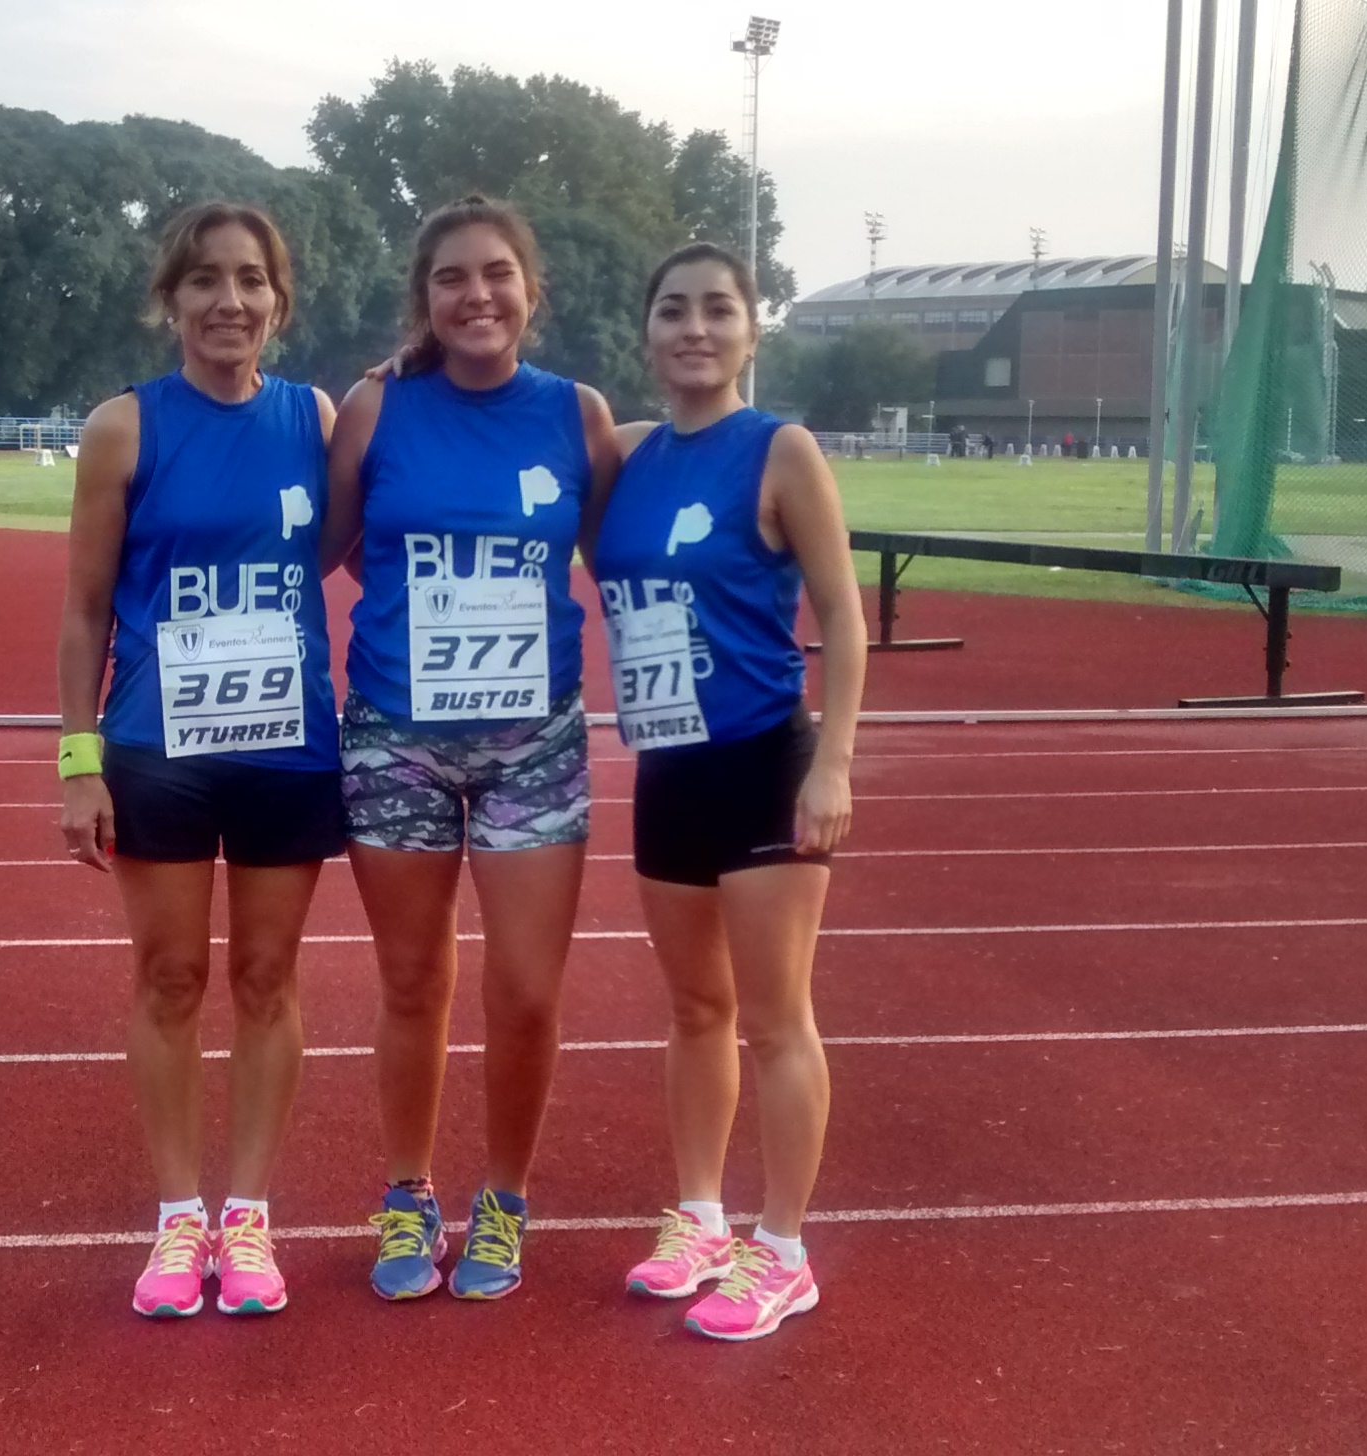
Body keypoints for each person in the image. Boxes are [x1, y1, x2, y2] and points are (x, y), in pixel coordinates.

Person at [323, 196, 621, 1301]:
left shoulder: (576, 415)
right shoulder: (376, 406)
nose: (477, 294)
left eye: (497, 273)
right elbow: (330, 547)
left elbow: (622, 556)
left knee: (529, 990)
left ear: (530, 292)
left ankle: (503, 1199)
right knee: (410, 980)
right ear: (425, 299)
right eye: (452, 277)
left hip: (533, 741)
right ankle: (408, 1191)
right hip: (395, 736)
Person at [56, 202, 340, 1319]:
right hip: (156, 748)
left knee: (267, 981)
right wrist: (78, 761)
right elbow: (83, 611)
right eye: (207, 280)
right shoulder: (124, 427)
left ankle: (250, 1216)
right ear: (170, 298)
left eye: (253, 280)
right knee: (169, 977)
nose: (231, 301)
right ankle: (181, 1219)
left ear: (279, 297)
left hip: (286, 747)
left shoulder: (312, 418)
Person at [592, 241, 866, 1341]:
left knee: (772, 1019)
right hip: (669, 769)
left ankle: (784, 1248)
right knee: (694, 1010)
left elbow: (843, 617)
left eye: (717, 310)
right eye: (672, 311)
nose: (693, 328)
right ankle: (699, 1216)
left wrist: (836, 760)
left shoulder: (780, 450)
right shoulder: (624, 454)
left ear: (753, 330)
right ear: (646, 334)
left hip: (764, 762)